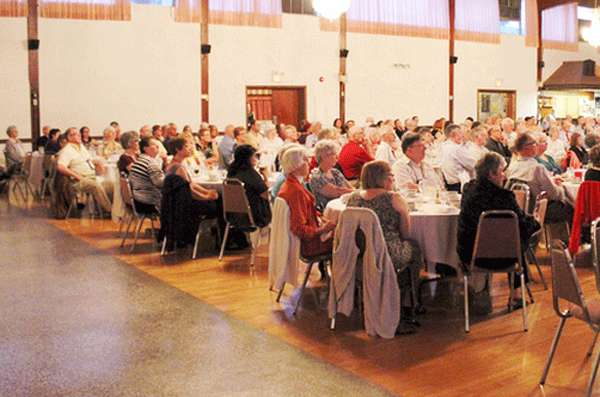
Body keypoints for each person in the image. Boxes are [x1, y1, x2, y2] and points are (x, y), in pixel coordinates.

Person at [346, 160, 422, 332]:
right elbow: (405, 233)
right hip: (387, 253)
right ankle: (409, 301)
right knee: (414, 247)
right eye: (391, 175)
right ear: (385, 177)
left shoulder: (354, 198)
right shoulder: (393, 198)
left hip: (361, 252)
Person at [457, 152, 540, 309]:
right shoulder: (504, 197)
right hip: (503, 257)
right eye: (502, 171)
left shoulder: (468, 190)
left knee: (512, 236)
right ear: (491, 174)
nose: (505, 176)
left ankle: (490, 290)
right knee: (518, 237)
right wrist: (536, 222)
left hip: (470, 254)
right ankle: (516, 295)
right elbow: (522, 223)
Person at [278, 146, 336, 266]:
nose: (309, 163)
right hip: (312, 245)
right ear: (296, 165)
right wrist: (323, 229)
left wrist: (323, 220)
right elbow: (299, 228)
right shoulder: (295, 191)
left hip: (313, 238)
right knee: (353, 240)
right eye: (305, 160)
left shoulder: (291, 184)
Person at [506, 133, 574, 225]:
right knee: (572, 207)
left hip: (519, 210)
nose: (536, 146)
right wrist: (560, 188)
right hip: (538, 209)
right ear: (527, 147)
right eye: (534, 143)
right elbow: (554, 194)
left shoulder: (512, 166)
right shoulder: (537, 168)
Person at [56, 127, 113, 213]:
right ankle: (110, 211)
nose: (79, 136)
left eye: (79, 134)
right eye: (75, 134)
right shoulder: (67, 150)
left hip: (92, 176)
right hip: (78, 181)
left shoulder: (81, 147)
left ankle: (105, 210)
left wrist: (97, 162)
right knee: (96, 186)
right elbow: (60, 167)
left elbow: (88, 160)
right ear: (69, 137)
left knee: (111, 184)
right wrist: (77, 176)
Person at [227, 145, 272, 227]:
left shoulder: (232, 171)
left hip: (235, 214)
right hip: (254, 214)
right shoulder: (251, 174)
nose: (256, 159)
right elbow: (266, 195)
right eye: (254, 156)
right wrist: (266, 177)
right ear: (248, 158)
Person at [309, 140, 353, 210]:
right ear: (324, 156)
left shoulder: (335, 172)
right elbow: (336, 192)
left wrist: (356, 191)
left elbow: (349, 187)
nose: (337, 157)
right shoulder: (316, 177)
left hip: (343, 206)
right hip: (329, 210)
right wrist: (357, 192)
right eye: (334, 154)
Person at [129, 137, 165, 212]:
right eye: (154, 145)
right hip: (150, 201)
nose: (157, 146)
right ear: (145, 148)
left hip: (139, 199)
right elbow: (160, 183)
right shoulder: (151, 163)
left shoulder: (139, 160)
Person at [440, 124, 475, 192]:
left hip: (448, 184)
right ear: (453, 135)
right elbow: (472, 165)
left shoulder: (443, 146)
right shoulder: (456, 148)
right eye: (460, 133)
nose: (462, 136)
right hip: (458, 184)